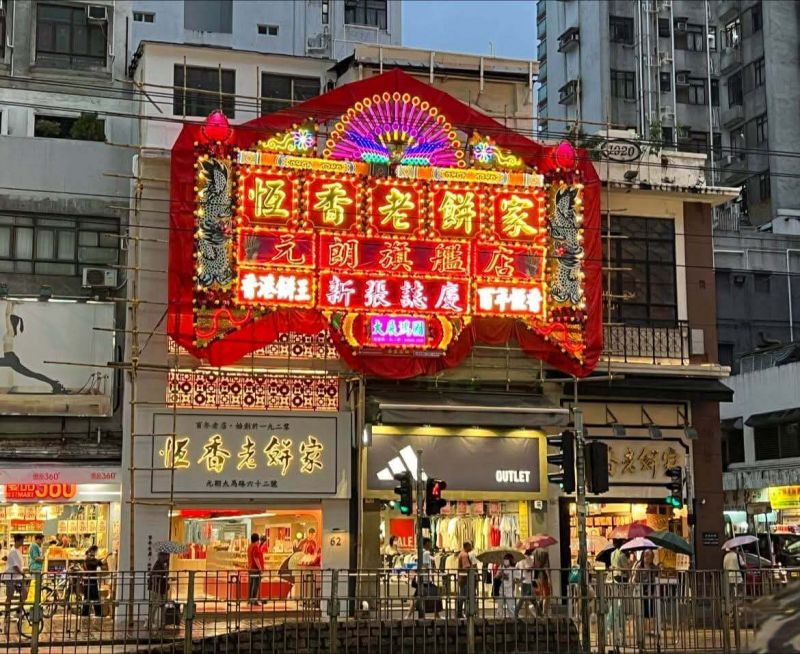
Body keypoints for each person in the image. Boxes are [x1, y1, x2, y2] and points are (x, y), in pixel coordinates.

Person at [405, 538, 441, 619]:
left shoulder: (420, 552)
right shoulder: (426, 553)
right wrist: (431, 573)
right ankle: (436, 615)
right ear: (427, 543)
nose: (431, 545)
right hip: (425, 580)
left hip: (421, 579)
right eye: (430, 543)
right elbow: (425, 566)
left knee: (417, 597)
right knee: (434, 595)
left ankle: (409, 615)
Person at [3, 535, 29, 628]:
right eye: (22, 540)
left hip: (17, 577)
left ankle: (19, 610)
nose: (23, 542)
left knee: (24, 592)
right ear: (17, 541)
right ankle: (7, 614)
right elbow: (15, 566)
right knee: (9, 596)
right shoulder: (13, 551)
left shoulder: (18, 550)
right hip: (11, 577)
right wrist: (22, 573)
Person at [633, 549, 658, 636]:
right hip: (642, 590)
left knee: (651, 610)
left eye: (650, 556)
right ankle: (643, 629)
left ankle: (651, 629)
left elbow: (658, 576)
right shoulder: (639, 566)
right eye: (647, 555)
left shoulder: (654, 567)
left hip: (651, 591)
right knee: (642, 610)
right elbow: (635, 578)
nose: (648, 558)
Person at [81, 546, 103, 631]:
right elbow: (100, 563)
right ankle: (97, 614)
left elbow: (99, 562)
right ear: (92, 551)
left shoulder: (87, 559)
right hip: (91, 582)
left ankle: (86, 614)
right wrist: (107, 556)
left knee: (88, 598)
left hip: (88, 581)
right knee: (95, 598)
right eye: (95, 551)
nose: (95, 553)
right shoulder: (90, 560)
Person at [147, 551, 170, 631]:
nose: (167, 557)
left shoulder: (164, 564)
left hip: (161, 588)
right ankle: (150, 621)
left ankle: (162, 623)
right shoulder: (158, 564)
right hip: (156, 588)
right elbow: (157, 576)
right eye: (166, 556)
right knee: (155, 604)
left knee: (161, 605)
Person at [456, 542, 476, 618]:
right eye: (470, 546)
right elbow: (466, 567)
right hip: (465, 579)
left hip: (462, 579)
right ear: (467, 546)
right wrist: (472, 568)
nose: (471, 548)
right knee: (465, 596)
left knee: (462, 596)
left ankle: (460, 612)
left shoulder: (461, 554)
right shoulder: (464, 555)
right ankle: (463, 612)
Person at [514, 549, 536, 618]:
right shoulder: (527, 558)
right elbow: (527, 569)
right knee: (522, 599)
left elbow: (516, 567)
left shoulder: (520, 559)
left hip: (525, 580)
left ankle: (539, 613)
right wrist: (534, 566)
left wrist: (518, 577)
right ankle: (515, 613)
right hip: (527, 581)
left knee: (531, 599)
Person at [495, 553, 516, 618]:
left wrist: (513, 587)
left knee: (510, 607)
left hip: (509, 590)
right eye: (505, 559)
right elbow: (496, 577)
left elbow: (517, 579)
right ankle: (499, 619)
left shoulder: (513, 569)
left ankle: (512, 619)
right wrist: (500, 574)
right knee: (500, 606)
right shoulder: (501, 567)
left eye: (507, 559)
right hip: (501, 589)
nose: (506, 561)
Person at [532, 548, 552, 616]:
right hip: (543, 575)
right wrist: (549, 578)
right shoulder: (544, 553)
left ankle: (538, 610)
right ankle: (544, 612)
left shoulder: (534, 553)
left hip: (537, 576)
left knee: (541, 595)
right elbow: (546, 566)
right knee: (547, 595)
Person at [246, 533, 264, 606]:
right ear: (257, 539)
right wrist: (260, 568)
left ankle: (250, 600)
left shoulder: (250, 546)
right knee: (255, 585)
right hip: (255, 569)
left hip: (250, 568)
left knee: (251, 585)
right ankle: (254, 600)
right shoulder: (255, 547)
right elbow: (256, 557)